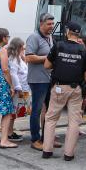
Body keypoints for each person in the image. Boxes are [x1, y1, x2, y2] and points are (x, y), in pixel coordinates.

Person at [41, 22, 86, 161]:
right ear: (78, 34)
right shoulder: (82, 50)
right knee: (74, 121)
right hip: (76, 89)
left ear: (68, 32)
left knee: (51, 118)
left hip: (58, 87)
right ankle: (69, 154)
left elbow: (46, 65)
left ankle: (47, 151)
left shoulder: (58, 46)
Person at [26, 13, 57, 151]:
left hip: (49, 79)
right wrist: (49, 57)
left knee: (50, 111)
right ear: (41, 24)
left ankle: (47, 137)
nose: (52, 26)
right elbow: (29, 58)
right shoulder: (34, 37)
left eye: (52, 24)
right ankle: (35, 139)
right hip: (38, 80)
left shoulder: (50, 37)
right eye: (49, 24)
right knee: (37, 110)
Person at [7, 37, 28, 141]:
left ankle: (10, 131)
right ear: (18, 47)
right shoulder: (14, 59)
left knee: (15, 111)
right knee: (13, 111)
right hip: (18, 89)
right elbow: (13, 74)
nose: (23, 49)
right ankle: (9, 133)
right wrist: (18, 88)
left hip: (23, 87)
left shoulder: (18, 58)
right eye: (22, 47)